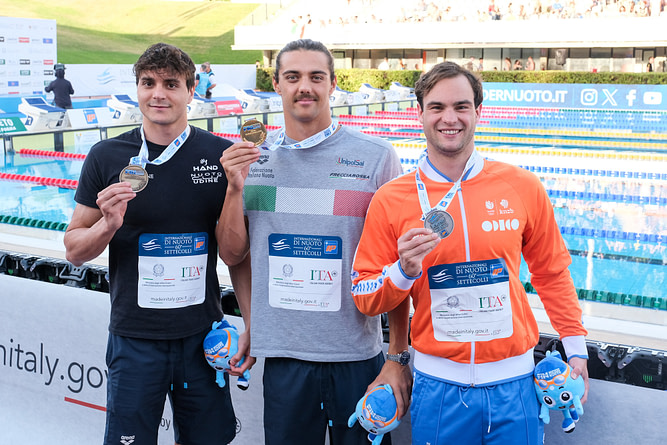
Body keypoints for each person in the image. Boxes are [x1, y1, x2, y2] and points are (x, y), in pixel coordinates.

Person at [351, 61, 590, 445]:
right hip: (438, 387)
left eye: (461, 106)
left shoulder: (521, 186)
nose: (450, 118)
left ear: (479, 112)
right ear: (420, 114)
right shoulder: (391, 199)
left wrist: (575, 346)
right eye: (437, 107)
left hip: (515, 385)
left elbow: (551, 272)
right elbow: (364, 296)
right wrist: (404, 270)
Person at [217, 38, 410, 445]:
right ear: (277, 85)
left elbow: (397, 266)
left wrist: (396, 357)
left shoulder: (376, 157)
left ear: (332, 84)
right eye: (293, 77)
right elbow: (234, 253)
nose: (305, 86)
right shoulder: (253, 161)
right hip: (286, 359)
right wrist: (234, 190)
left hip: (357, 358)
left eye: (315, 77)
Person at [64, 42, 252, 445]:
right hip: (135, 339)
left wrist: (252, 325)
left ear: (191, 89)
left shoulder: (219, 156)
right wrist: (107, 226)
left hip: (202, 338)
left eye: (171, 83)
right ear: (137, 88)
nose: (158, 93)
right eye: (148, 83)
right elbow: (74, 250)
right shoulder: (106, 155)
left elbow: (235, 254)